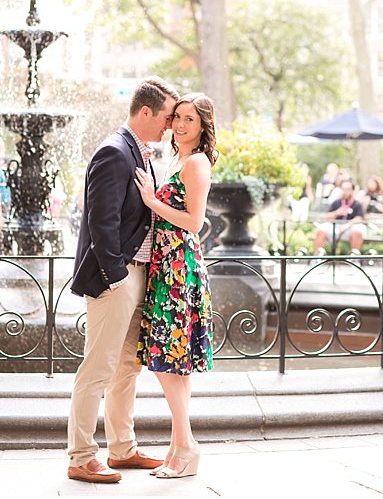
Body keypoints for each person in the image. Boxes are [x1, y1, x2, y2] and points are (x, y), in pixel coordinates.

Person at [66, 76, 179, 484]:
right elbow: (101, 223)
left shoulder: (142, 152)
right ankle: (80, 455)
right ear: (145, 112)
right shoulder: (115, 152)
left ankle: (122, 450)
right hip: (116, 278)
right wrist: (116, 278)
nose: (170, 125)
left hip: (138, 274)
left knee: (127, 368)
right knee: (97, 369)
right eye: (166, 117)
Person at [132, 93, 216, 479]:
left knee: (168, 362)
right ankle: (178, 446)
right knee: (173, 363)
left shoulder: (197, 163)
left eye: (190, 120)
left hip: (178, 267)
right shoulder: (177, 159)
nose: (180, 125)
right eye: (178, 117)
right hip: (166, 263)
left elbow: (194, 222)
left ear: (202, 128)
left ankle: (187, 445)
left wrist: (151, 201)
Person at [312, 180, 368, 256]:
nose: (345, 192)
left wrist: (347, 225)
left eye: (348, 189)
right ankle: (316, 257)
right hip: (335, 227)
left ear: (352, 191)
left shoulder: (357, 204)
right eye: (343, 189)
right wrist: (337, 212)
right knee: (321, 230)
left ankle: (355, 258)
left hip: (349, 228)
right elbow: (327, 216)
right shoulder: (336, 202)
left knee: (357, 231)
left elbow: (359, 218)